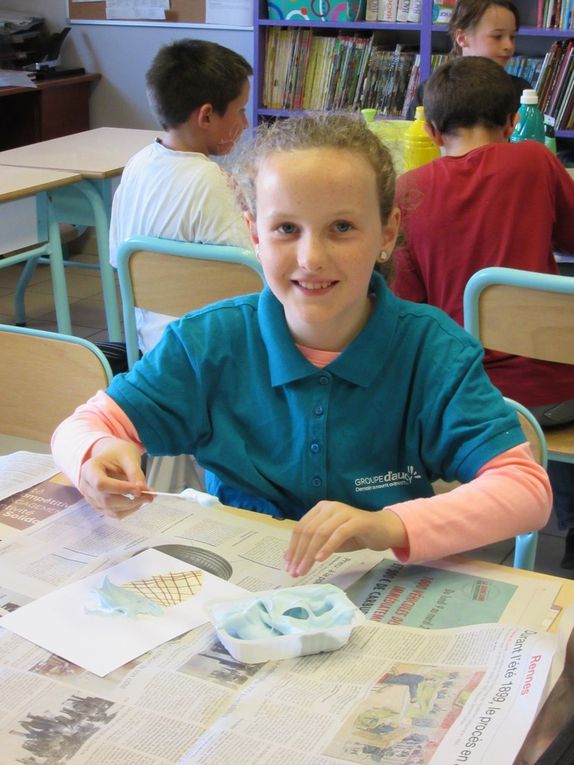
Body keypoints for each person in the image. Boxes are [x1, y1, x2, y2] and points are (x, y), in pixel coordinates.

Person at [51, 112, 551, 578]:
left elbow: (524, 489)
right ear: (255, 235)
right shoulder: (208, 342)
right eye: (287, 229)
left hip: (375, 583)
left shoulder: (432, 350)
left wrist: (389, 525)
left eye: (342, 228)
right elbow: (84, 426)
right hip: (238, 581)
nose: (312, 258)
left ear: (387, 232)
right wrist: (98, 453)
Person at [392, 56, 574, 568]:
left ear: (429, 129)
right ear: (513, 121)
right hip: (558, 399)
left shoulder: (409, 191)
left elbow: (408, 308)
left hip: (465, 406)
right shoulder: (535, 161)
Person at [109, 38, 254, 354]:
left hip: (149, 349)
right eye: (241, 110)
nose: (246, 122)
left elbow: (117, 261)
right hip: (207, 351)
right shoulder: (211, 181)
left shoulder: (136, 165)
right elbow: (252, 279)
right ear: (206, 116)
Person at [406, 0, 530, 119]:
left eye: (512, 37)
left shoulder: (521, 92)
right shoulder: (431, 91)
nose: (509, 45)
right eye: (497, 36)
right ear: (462, 38)